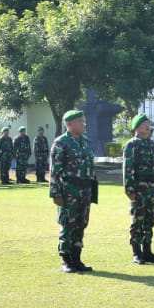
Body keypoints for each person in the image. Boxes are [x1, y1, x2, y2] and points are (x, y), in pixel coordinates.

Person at [50, 109, 97, 273]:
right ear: (69, 124)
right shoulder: (61, 142)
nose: (83, 124)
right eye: (79, 121)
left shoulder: (86, 142)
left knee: (81, 224)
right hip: (69, 189)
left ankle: (77, 258)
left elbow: (91, 168)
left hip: (85, 189)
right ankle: (66, 260)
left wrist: (93, 190)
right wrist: (55, 193)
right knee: (67, 224)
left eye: (83, 121)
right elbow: (55, 170)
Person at [122, 113, 154, 264]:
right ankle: (136, 252)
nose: (148, 126)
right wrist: (130, 190)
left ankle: (147, 251)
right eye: (144, 123)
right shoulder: (132, 145)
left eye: (148, 123)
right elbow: (128, 169)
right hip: (139, 188)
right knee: (138, 220)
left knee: (150, 220)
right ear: (137, 127)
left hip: (153, 188)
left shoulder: (153, 145)